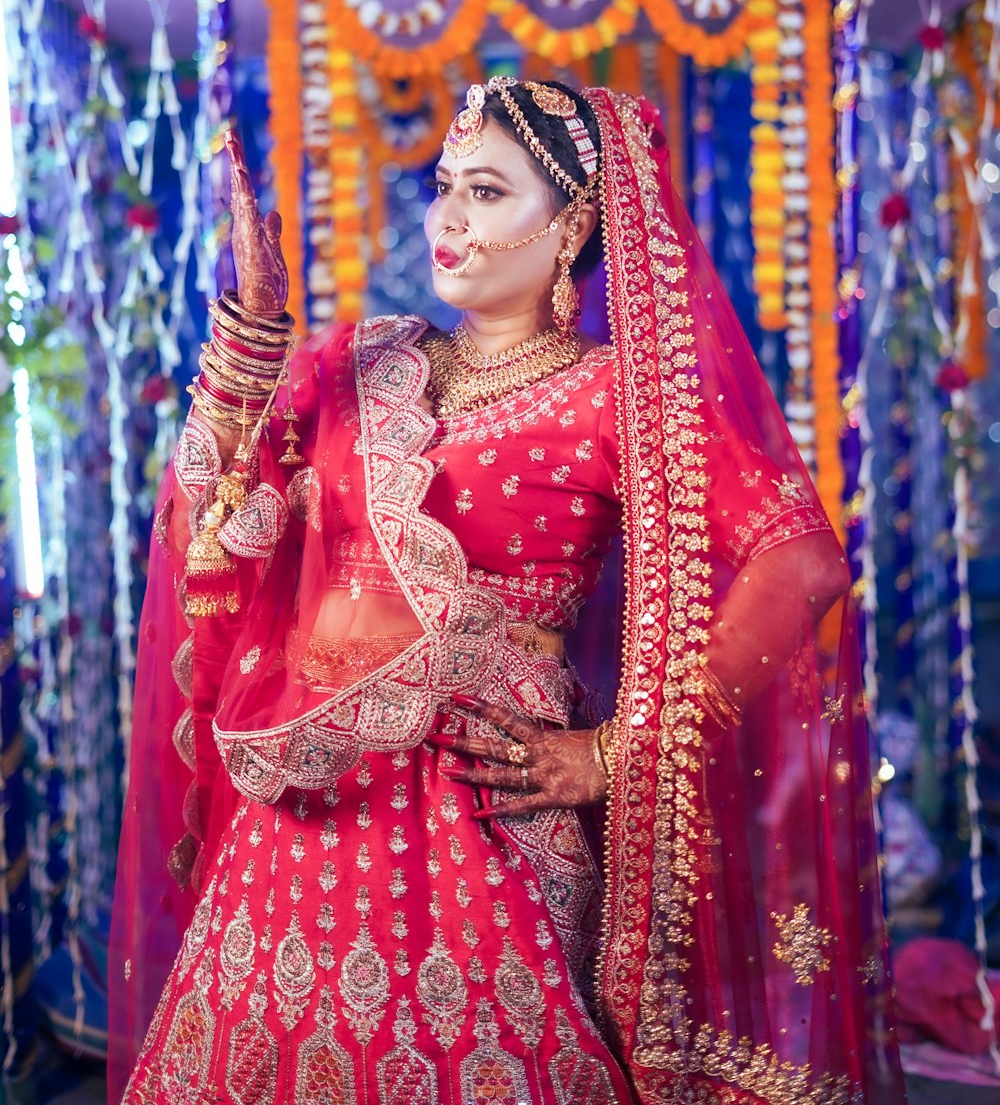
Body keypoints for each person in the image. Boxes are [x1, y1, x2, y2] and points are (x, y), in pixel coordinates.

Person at [109, 79, 905, 1104]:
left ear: (571, 223)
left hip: (472, 809)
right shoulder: (354, 364)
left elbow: (801, 561)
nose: (447, 215)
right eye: (444, 185)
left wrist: (621, 753)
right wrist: (250, 337)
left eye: (486, 191)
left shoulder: (621, 398)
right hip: (301, 801)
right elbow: (204, 528)